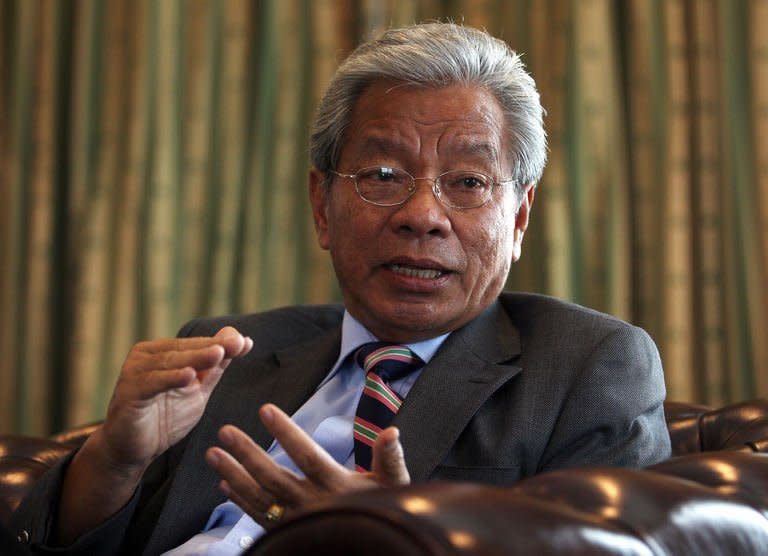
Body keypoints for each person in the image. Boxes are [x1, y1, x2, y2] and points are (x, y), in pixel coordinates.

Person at [10, 22, 671, 555]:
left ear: (519, 217)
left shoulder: (588, 366)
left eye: (468, 182)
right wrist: (114, 461)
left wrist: (395, 533)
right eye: (383, 174)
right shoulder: (229, 354)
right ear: (322, 206)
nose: (422, 214)